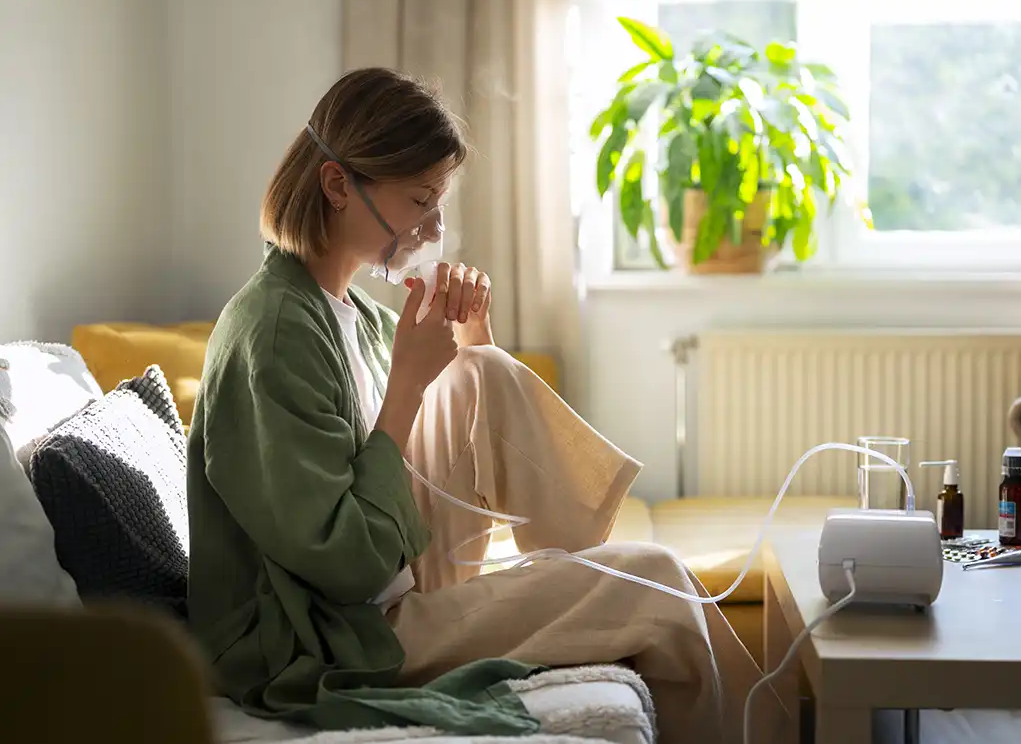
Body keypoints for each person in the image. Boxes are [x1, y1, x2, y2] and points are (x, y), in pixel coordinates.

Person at [186, 67, 779, 744]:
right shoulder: (274, 330)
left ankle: (574, 564)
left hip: (385, 593)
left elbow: (419, 479)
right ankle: (588, 574)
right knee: (662, 583)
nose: (434, 226)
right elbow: (347, 564)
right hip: (331, 638)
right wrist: (409, 382)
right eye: (420, 201)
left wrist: (473, 340)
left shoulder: (357, 317)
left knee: (480, 370)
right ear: (337, 184)